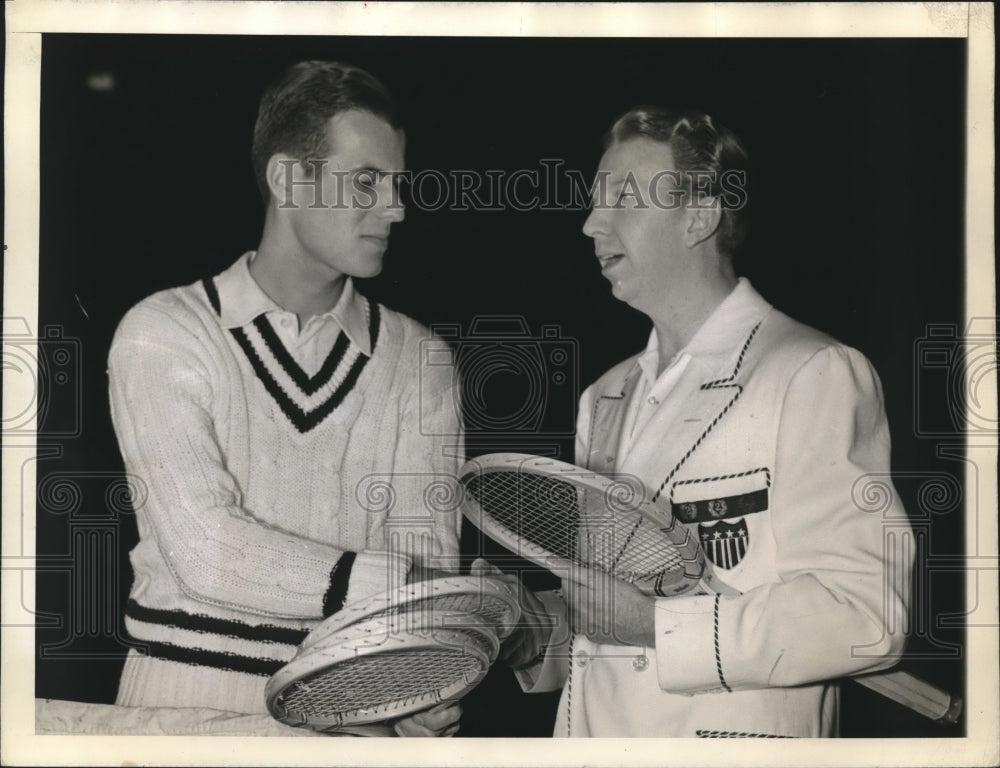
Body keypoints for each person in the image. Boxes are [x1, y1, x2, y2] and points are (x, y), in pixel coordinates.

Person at [494, 106, 913, 737]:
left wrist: (652, 624)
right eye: (592, 201)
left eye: (622, 199)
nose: (589, 224)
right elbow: (606, 634)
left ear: (699, 215)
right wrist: (528, 627)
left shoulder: (810, 372)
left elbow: (866, 617)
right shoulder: (604, 398)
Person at [107, 61, 463, 737]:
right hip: (181, 706)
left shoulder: (421, 360)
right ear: (288, 179)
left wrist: (419, 683)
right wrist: (403, 591)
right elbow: (205, 549)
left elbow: (427, 568)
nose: (396, 208)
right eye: (366, 182)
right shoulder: (164, 332)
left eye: (396, 184)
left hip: (354, 713)